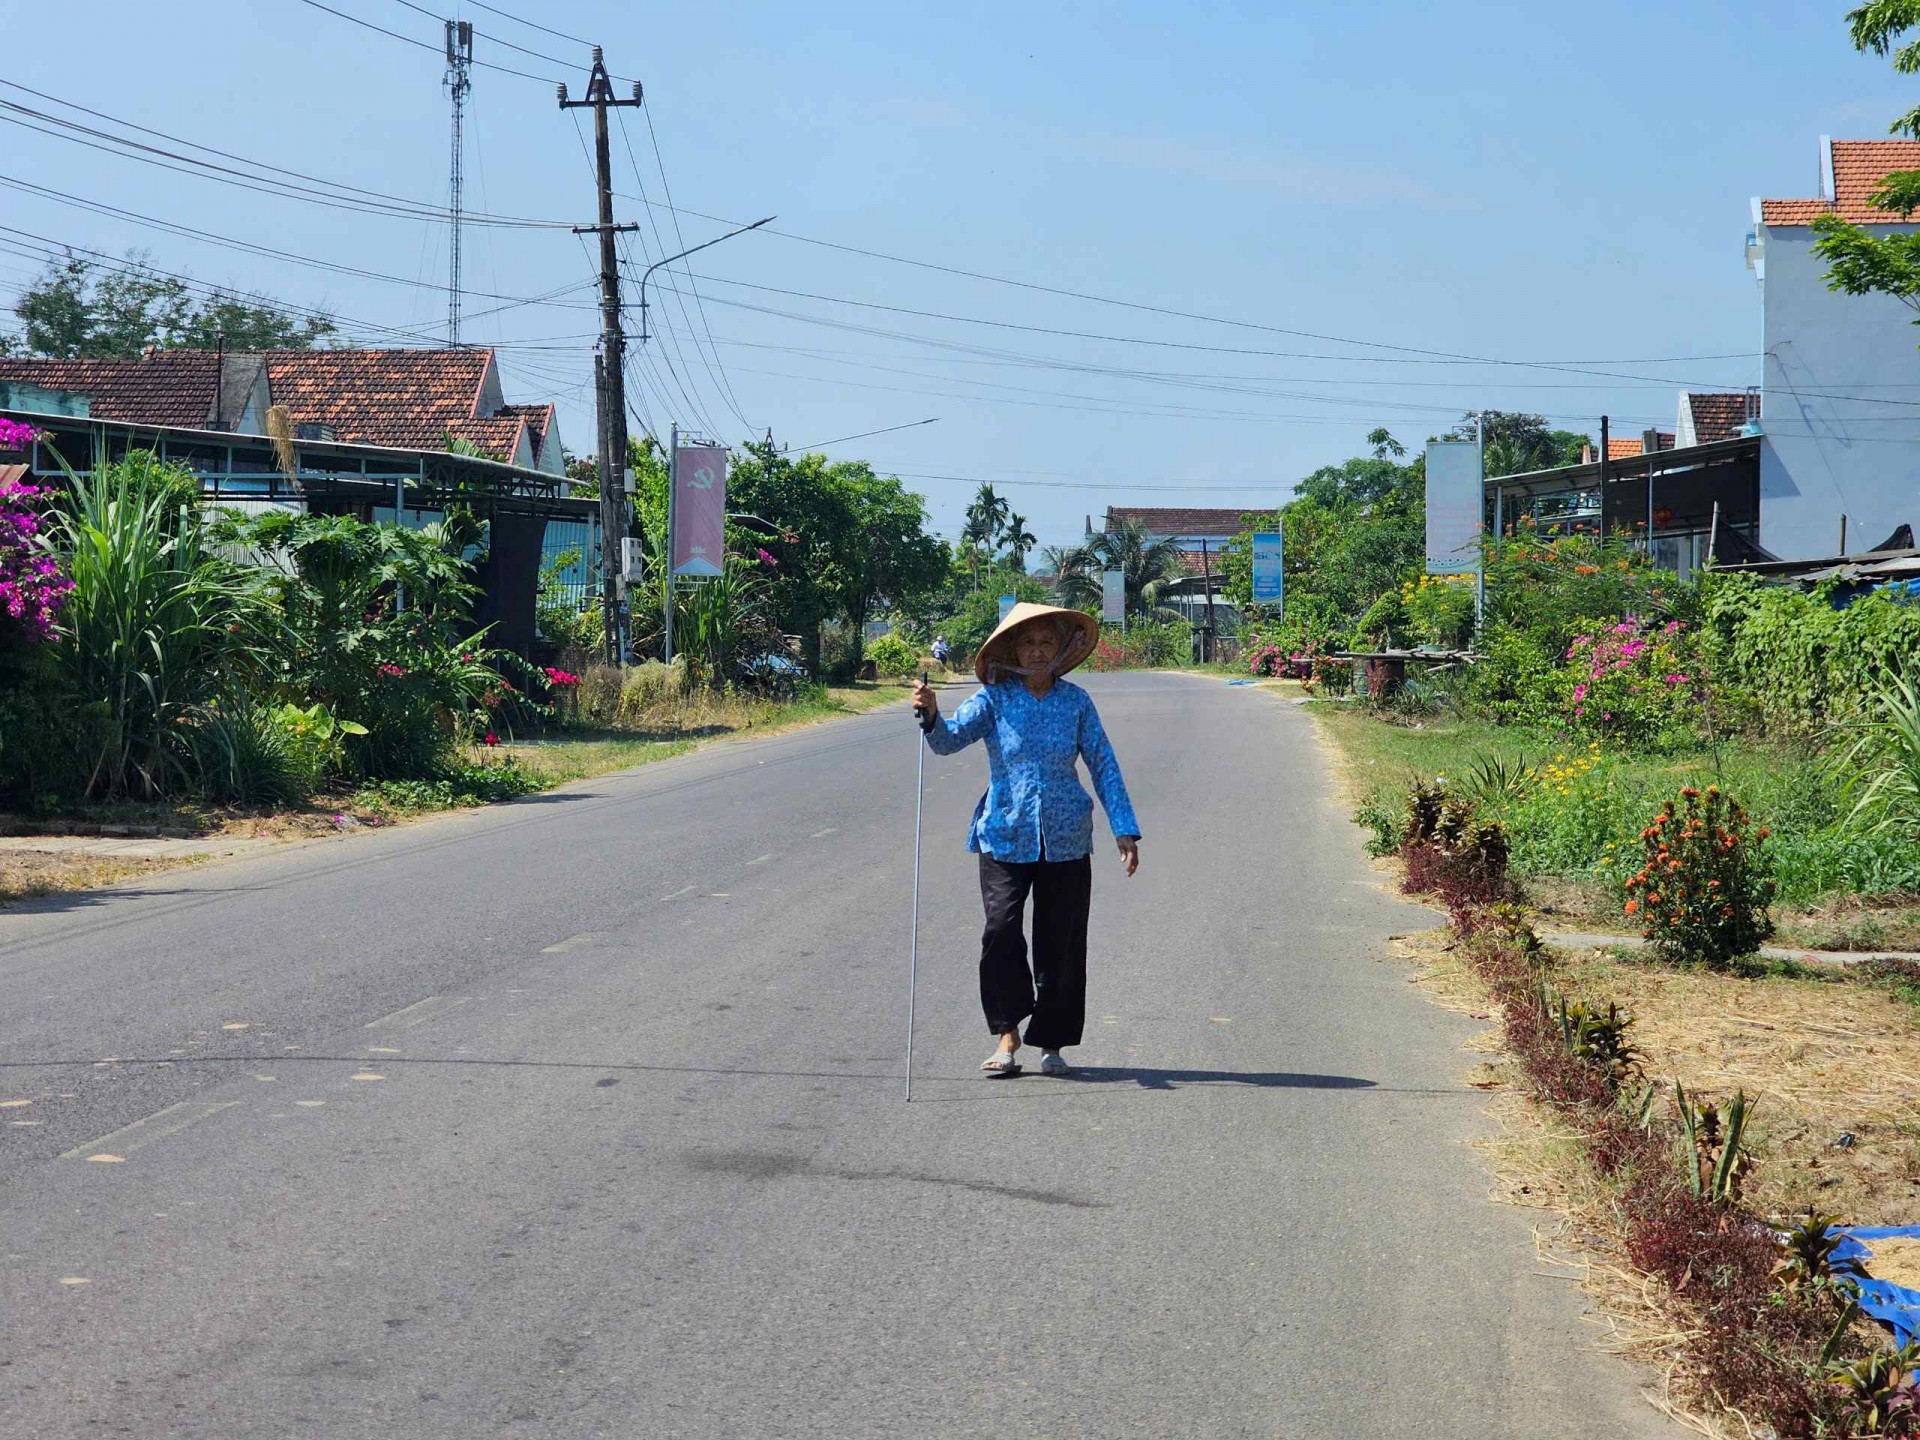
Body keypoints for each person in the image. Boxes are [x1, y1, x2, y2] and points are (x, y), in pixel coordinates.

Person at [912, 602, 1139, 1077]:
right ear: (1012, 649)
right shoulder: (994, 699)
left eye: (1046, 643)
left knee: (1061, 942)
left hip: (1066, 836)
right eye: (1028, 643)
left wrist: (1124, 826)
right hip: (1004, 832)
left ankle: (1052, 1042)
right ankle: (1007, 1032)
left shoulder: (1076, 702)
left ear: (1061, 650)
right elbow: (948, 740)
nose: (1037, 652)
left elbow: (1103, 762)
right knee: (1000, 931)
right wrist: (933, 715)